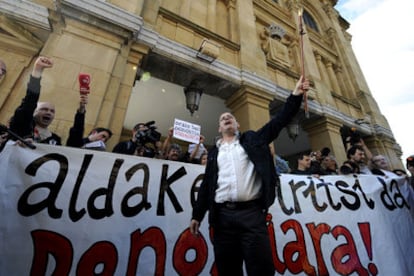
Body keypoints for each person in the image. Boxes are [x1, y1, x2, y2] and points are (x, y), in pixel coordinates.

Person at [189, 76, 309, 276]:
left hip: (252, 216)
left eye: (231, 117)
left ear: (237, 125)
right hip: (222, 219)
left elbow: (278, 122)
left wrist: (295, 94)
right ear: (219, 128)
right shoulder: (213, 154)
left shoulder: (253, 140)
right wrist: (197, 215)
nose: (227, 118)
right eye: (222, 118)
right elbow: (208, 186)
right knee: (228, 270)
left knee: (260, 269)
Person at [9, 56, 61, 145]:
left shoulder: (56, 139)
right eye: (44, 109)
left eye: (52, 111)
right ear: (34, 112)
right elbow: (29, 102)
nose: (48, 113)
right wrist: (37, 71)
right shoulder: (23, 125)